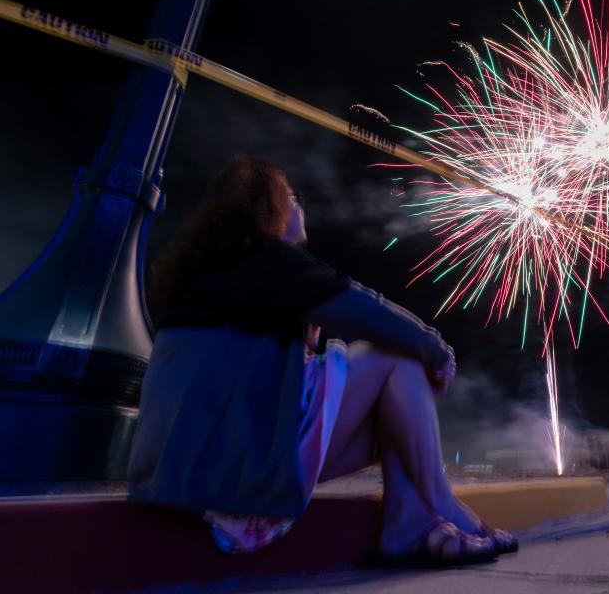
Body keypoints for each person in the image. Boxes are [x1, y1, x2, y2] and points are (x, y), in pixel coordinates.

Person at [127, 155, 517, 565]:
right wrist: (435, 350)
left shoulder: (206, 274)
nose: (301, 206)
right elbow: (368, 309)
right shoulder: (265, 260)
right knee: (394, 354)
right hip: (231, 475)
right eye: (293, 196)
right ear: (269, 206)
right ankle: (440, 501)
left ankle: (407, 527)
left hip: (179, 475)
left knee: (394, 415)